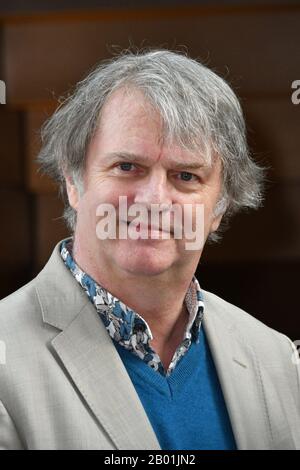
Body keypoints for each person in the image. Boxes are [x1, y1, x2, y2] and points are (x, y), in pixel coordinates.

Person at [0, 49, 299, 450]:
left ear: (220, 207)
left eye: (186, 176)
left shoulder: (275, 356)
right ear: (74, 182)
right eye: (127, 167)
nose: (155, 200)